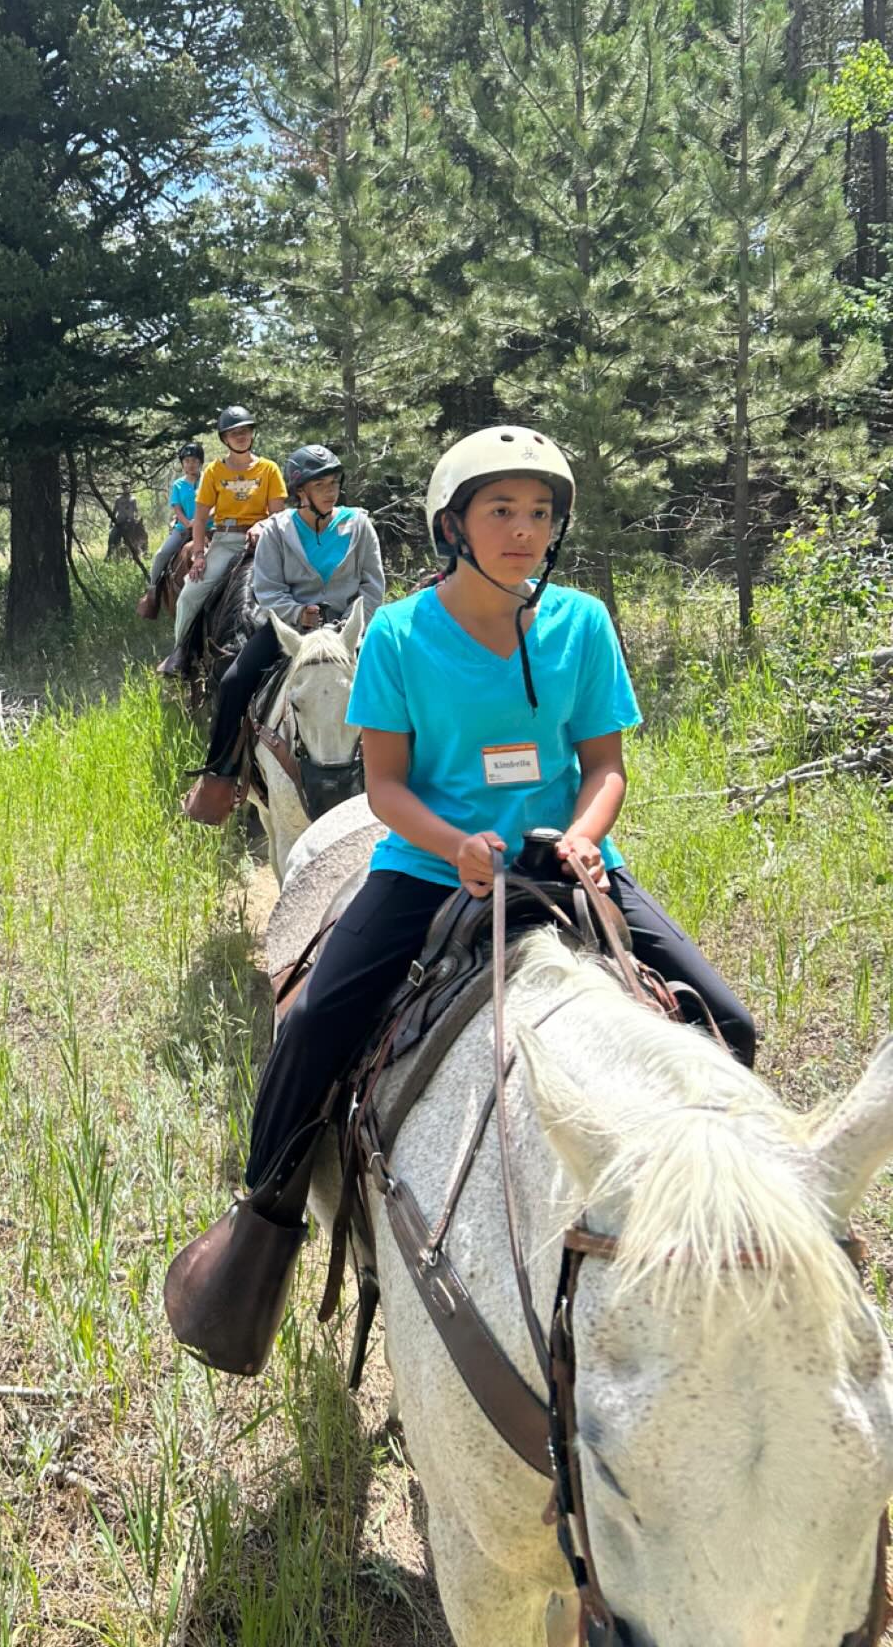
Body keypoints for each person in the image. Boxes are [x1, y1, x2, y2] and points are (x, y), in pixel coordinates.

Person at [244, 422, 757, 1195]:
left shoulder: (581, 623)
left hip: (564, 866)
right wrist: (456, 847)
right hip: (430, 869)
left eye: (541, 513)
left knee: (730, 1025)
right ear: (453, 525)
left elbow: (604, 768)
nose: (525, 529)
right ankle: (261, 1221)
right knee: (313, 1023)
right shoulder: (399, 633)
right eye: (502, 510)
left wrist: (584, 840)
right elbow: (383, 786)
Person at [181, 444, 385, 824]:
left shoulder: (360, 526)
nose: (331, 491)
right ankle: (219, 781)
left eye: (334, 482)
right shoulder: (276, 530)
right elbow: (267, 589)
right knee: (233, 681)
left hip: (350, 634)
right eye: (320, 484)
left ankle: (419, 777)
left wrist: (349, 628)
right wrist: (298, 614)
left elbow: (373, 586)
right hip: (290, 632)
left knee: (404, 683)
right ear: (300, 492)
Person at [156, 406, 287, 676]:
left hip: (264, 542)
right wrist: (200, 555)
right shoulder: (214, 472)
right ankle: (182, 652)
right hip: (226, 540)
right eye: (234, 433)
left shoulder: (269, 469)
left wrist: (261, 524)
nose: (241, 437)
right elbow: (201, 518)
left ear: (252, 434)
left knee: (299, 585)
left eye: (246, 431)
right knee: (190, 595)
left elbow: (278, 515)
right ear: (224, 438)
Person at [147, 444, 205, 592]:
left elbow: (216, 504)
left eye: (194, 461)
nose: (190, 465)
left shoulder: (208, 480)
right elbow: (177, 507)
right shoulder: (178, 485)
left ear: (200, 462)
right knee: (162, 554)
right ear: (182, 464)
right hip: (183, 529)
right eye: (186, 461)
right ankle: (152, 590)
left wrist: (200, 520)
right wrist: (187, 523)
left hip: (208, 527)